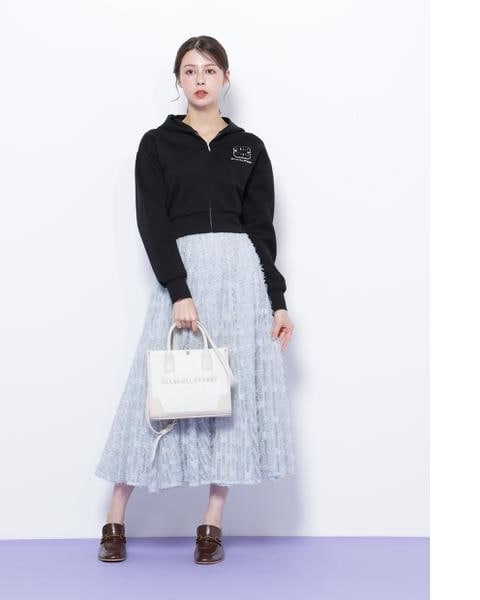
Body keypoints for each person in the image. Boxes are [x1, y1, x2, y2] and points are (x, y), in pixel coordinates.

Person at [94, 35, 295, 564]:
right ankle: (115, 518)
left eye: (209, 70)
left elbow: (261, 230)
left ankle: (212, 523)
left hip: (241, 279)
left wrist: (276, 300)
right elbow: (152, 223)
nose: (200, 79)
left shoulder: (249, 147)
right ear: (178, 79)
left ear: (226, 77)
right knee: (154, 389)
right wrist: (179, 290)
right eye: (189, 70)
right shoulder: (157, 144)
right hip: (184, 275)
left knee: (228, 395)